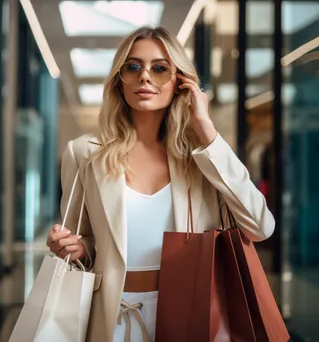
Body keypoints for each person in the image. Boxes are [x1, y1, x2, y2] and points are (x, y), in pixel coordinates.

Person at [46, 26, 275, 342]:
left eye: (160, 68)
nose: (145, 76)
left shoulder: (204, 156)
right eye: (133, 66)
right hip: (110, 318)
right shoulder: (84, 152)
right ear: (119, 81)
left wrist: (205, 128)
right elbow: (84, 240)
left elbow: (260, 226)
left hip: (193, 315)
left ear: (181, 82)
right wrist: (76, 247)